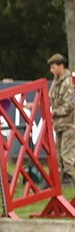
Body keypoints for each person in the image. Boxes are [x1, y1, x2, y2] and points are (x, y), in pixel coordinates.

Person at [48, 53, 75, 186]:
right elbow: (50, 98)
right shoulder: (56, 82)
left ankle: (69, 177)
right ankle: (59, 178)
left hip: (69, 123)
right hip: (58, 124)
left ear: (61, 66)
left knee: (67, 151)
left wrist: (53, 112)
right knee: (58, 152)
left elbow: (70, 104)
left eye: (53, 67)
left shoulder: (69, 82)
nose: (51, 70)